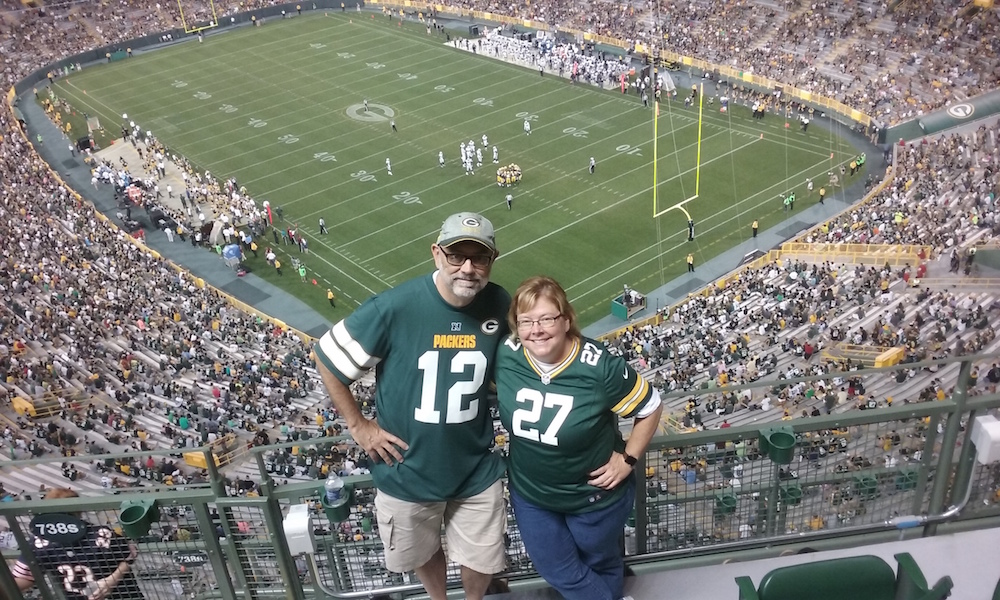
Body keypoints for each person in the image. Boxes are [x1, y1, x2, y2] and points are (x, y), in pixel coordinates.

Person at [314, 212, 510, 600]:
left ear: (492, 260)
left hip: (474, 464)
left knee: (483, 557)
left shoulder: (500, 302)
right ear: (437, 254)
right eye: (457, 256)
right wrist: (359, 425)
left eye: (479, 258)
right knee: (422, 551)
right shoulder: (394, 307)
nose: (468, 268)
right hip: (407, 467)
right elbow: (326, 357)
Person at [495, 276, 662, 600]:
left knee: (602, 562)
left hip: (593, 496)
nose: (537, 329)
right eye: (526, 321)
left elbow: (651, 406)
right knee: (555, 565)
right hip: (532, 493)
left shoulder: (598, 367)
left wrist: (628, 459)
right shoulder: (507, 354)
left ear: (567, 319)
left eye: (546, 318)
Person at [12, 488, 141, 600]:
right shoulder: (103, 533)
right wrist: (113, 579)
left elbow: (22, 579)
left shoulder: (38, 542)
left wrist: (112, 579)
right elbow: (130, 556)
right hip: (122, 594)